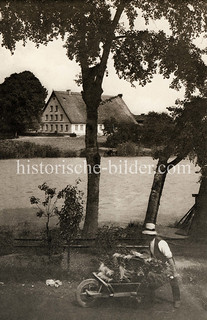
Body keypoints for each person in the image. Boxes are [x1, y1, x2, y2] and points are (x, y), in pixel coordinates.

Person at [142, 223, 181, 308]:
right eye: (146, 235)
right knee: (152, 279)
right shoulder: (150, 242)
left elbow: (169, 258)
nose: (146, 236)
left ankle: (177, 300)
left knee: (173, 280)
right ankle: (151, 297)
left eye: (148, 235)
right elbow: (153, 255)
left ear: (152, 235)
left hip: (167, 265)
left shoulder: (161, 243)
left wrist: (173, 271)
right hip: (158, 265)